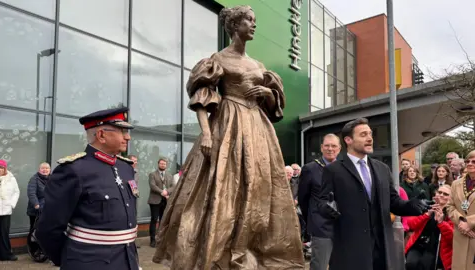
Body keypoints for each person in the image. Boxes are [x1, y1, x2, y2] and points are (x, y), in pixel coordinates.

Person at [152, 5, 304, 269]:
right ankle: (216, 250)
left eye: (255, 20)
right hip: (228, 122)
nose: (254, 25)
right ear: (235, 26)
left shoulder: (258, 65)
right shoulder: (218, 60)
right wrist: (207, 135)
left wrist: (267, 94)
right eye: (249, 20)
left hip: (257, 125)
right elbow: (201, 100)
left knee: (257, 183)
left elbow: (274, 103)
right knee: (221, 185)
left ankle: (249, 247)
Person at [35, 107, 141, 270]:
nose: (128, 137)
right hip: (89, 262)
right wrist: (71, 259)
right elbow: (48, 229)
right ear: (101, 135)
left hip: (127, 259)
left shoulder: (126, 168)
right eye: (121, 131)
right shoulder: (73, 170)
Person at [318, 118, 429, 270]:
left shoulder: (382, 168)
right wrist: (326, 207)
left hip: (381, 249)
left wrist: (412, 206)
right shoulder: (333, 170)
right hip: (350, 250)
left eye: (370, 134)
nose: (370, 138)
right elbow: (322, 202)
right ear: (348, 140)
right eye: (363, 134)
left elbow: (393, 202)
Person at [298, 133, 341, 270]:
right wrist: (313, 218)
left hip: (343, 227)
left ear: (339, 148)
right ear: (321, 148)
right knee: (319, 266)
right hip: (321, 228)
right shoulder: (310, 169)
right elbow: (303, 199)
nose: (330, 149)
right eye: (327, 145)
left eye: (334, 146)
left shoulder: (344, 168)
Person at [404, 184, 453, 270]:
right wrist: (426, 214)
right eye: (439, 192)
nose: (441, 195)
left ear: (451, 198)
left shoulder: (451, 212)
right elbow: (411, 224)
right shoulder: (427, 205)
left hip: (437, 247)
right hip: (419, 244)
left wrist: (441, 222)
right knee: (410, 264)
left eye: (445, 194)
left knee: (425, 264)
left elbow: (452, 237)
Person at [446, 150, 475, 270]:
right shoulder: (456, 184)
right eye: (467, 161)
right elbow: (450, 206)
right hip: (460, 235)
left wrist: (470, 223)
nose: (470, 163)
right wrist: (462, 221)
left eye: (474, 161)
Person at [0, 159, 19, 261]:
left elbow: (16, 192)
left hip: (6, 210)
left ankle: (5, 255)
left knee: (4, 233)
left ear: (5, 168)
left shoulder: (11, 178)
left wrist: (11, 204)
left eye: (1, 168)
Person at [147, 158, 174, 247]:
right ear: (158, 164)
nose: (163, 165)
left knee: (163, 220)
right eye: (161, 164)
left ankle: (161, 239)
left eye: (164, 164)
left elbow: (173, 186)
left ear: (166, 165)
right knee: (154, 220)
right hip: (155, 200)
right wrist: (162, 192)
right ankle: (152, 240)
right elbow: (152, 186)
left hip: (165, 201)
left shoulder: (170, 175)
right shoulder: (152, 174)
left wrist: (167, 192)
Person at [26, 162, 51, 231]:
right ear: (39, 170)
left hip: (48, 207)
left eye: (47, 168)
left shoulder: (52, 179)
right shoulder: (34, 179)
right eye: (42, 168)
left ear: (50, 170)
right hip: (36, 208)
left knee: (45, 227)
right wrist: (36, 204)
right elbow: (31, 193)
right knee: (34, 227)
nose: (45, 170)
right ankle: (32, 241)